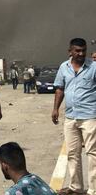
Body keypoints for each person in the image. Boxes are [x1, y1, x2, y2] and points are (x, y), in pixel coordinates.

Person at [52, 38, 96, 195]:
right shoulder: (64, 67)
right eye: (77, 50)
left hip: (90, 116)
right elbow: (60, 89)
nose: (81, 53)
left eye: (83, 50)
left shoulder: (94, 67)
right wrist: (55, 109)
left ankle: (93, 190)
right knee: (73, 153)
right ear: (70, 51)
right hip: (70, 117)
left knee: (92, 153)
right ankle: (76, 187)